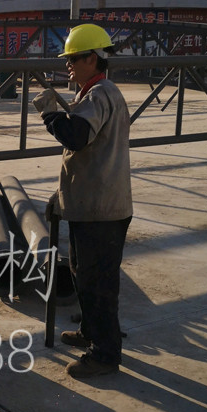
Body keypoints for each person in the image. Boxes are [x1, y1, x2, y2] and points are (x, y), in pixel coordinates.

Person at [32, 23, 133, 379]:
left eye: (73, 59)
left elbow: (76, 137)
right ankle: (91, 332)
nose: (68, 65)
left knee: (98, 284)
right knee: (83, 274)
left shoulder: (99, 95)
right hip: (92, 203)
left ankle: (104, 355)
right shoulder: (98, 93)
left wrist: (50, 113)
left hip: (101, 210)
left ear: (93, 58)